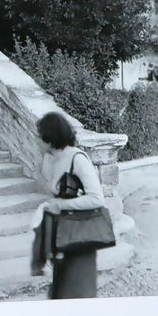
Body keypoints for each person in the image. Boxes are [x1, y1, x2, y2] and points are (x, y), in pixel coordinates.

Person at [28, 111, 106, 299]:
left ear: (49, 138)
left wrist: (61, 205)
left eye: (38, 136)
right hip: (61, 236)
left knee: (76, 292)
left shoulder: (77, 159)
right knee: (60, 290)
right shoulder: (49, 159)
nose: (35, 139)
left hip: (79, 234)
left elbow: (97, 198)